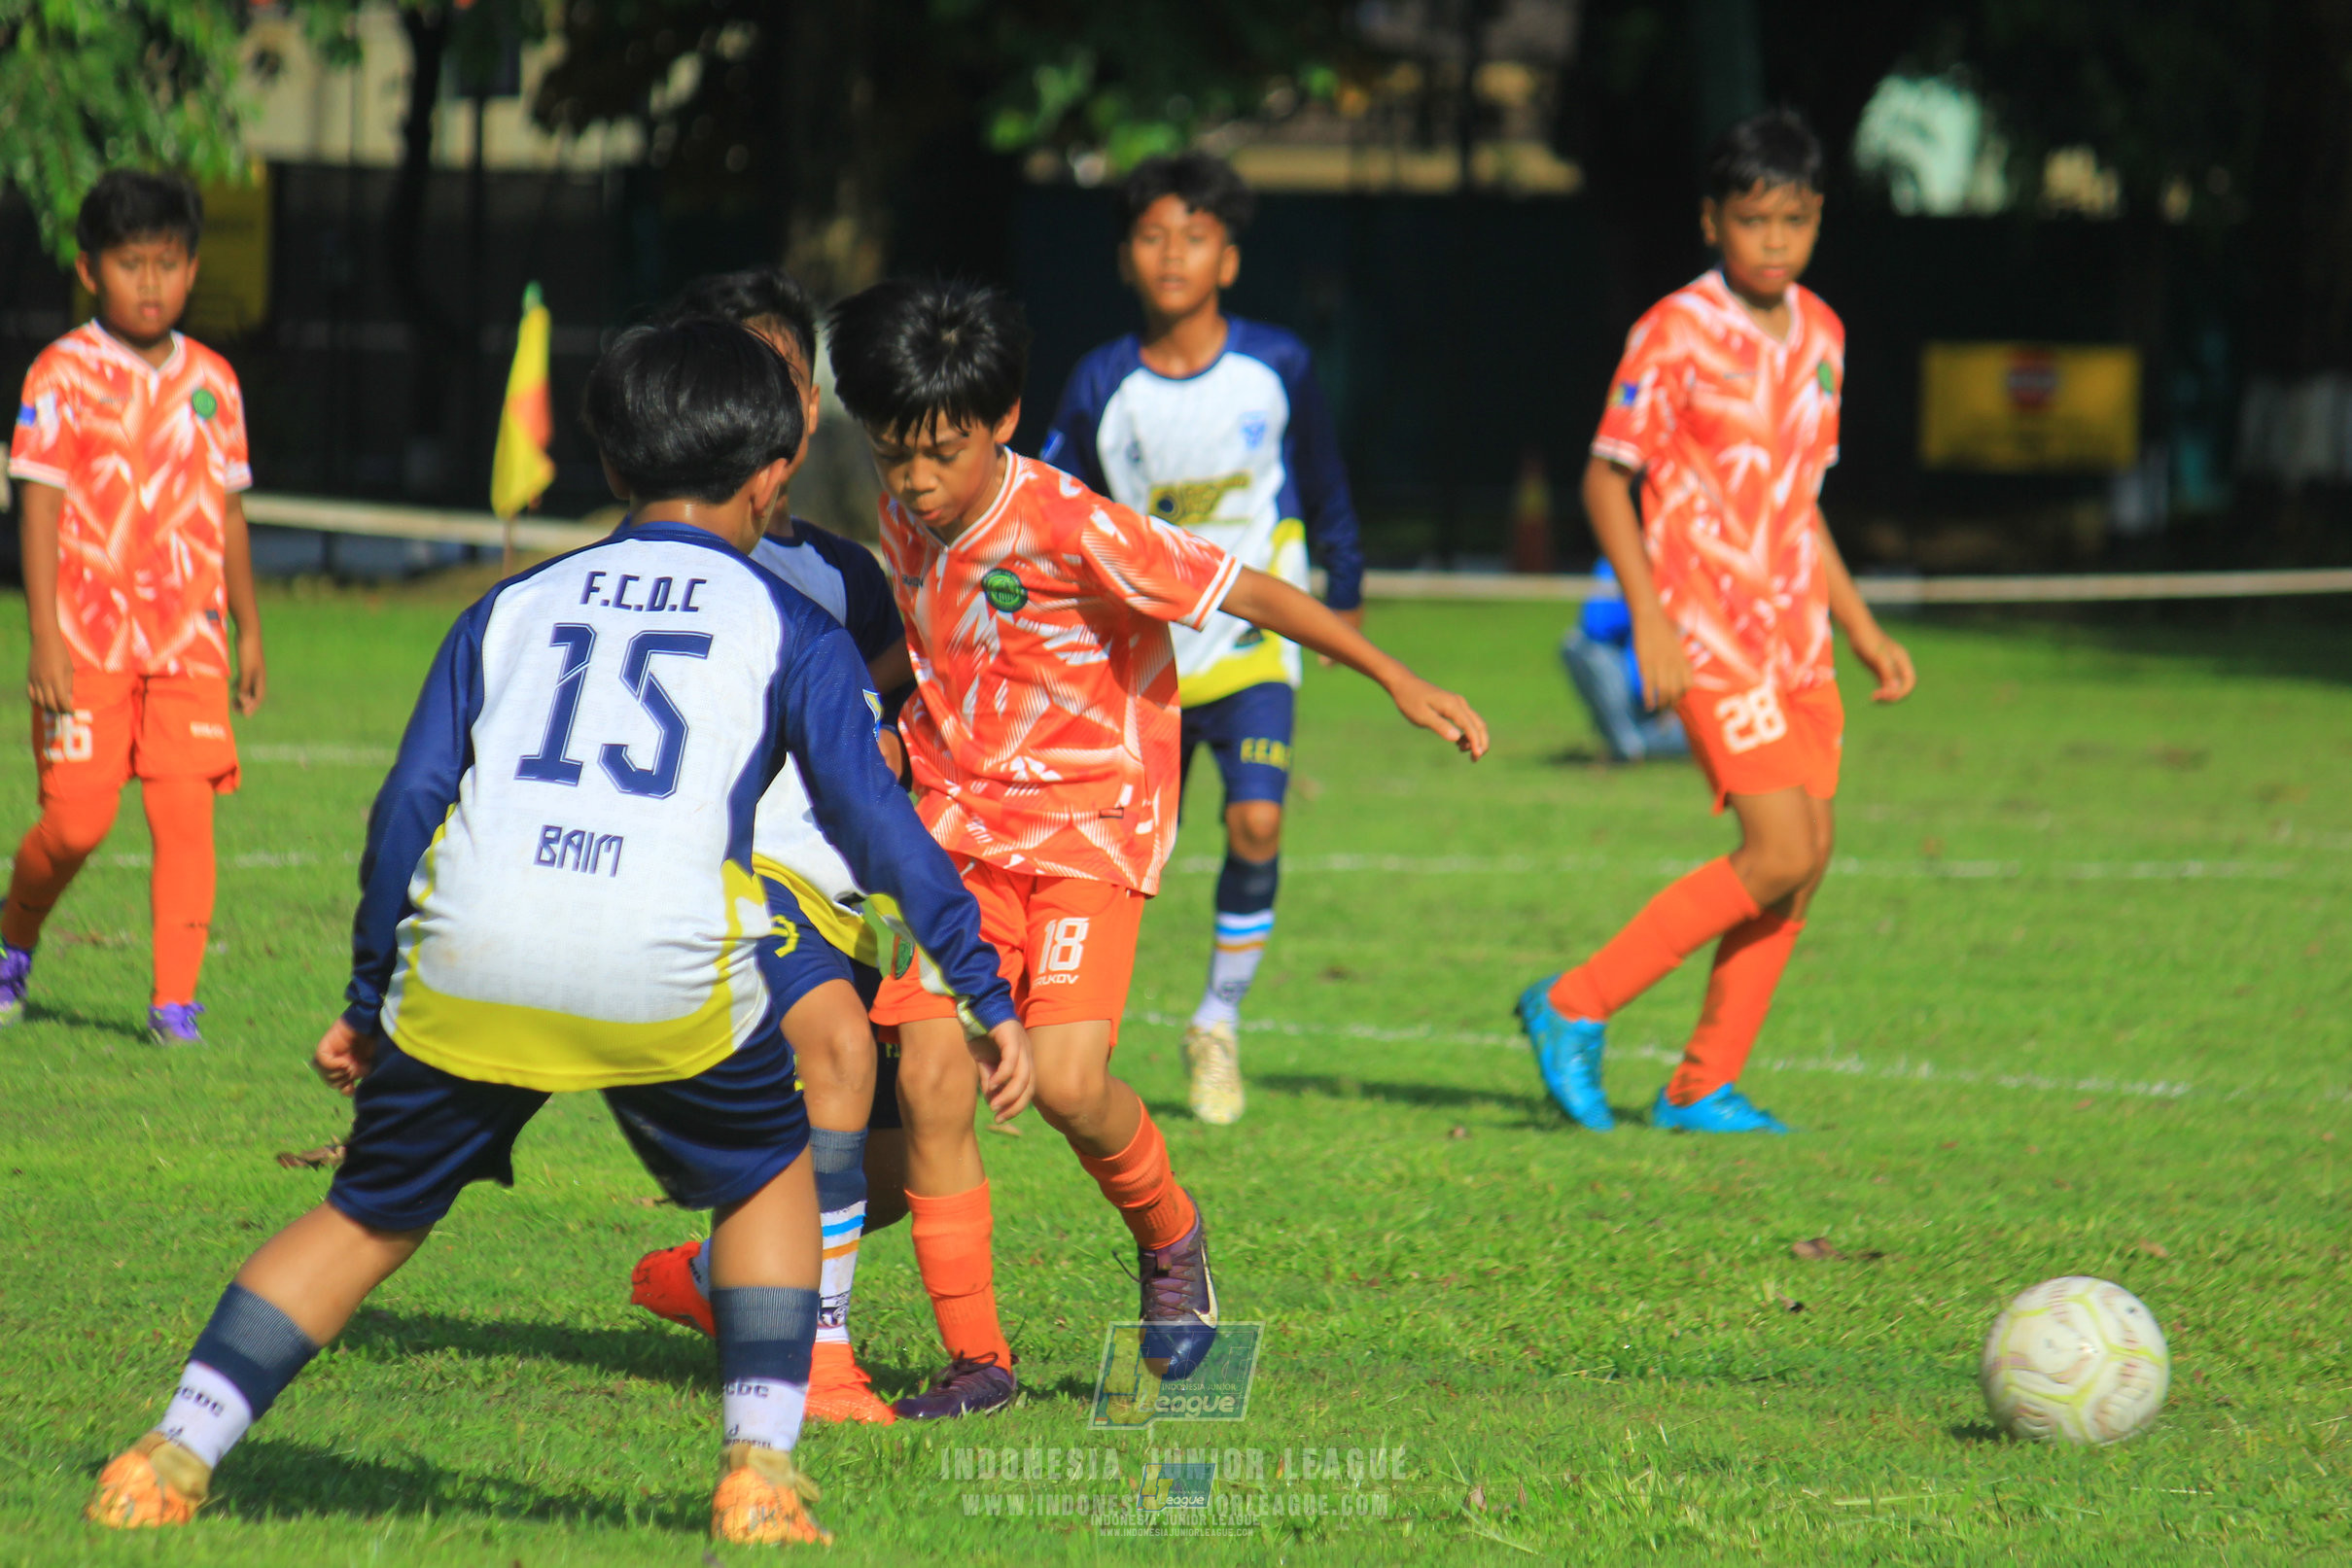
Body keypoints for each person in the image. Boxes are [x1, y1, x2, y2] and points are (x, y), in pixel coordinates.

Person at [83, 320, 1028, 1544]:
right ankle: (757, 1468)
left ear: (617, 466)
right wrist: (983, 985)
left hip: (473, 956)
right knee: (767, 1176)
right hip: (660, 966)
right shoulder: (789, 630)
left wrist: (371, 997)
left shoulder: (510, 605)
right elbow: (879, 829)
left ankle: (171, 1450)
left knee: (367, 1213)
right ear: (771, 476)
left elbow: (408, 806)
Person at [829, 277, 1487, 1418]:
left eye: (942, 452)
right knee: (934, 1080)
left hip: (1089, 826)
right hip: (956, 832)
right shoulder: (901, 516)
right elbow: (943, 649)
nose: (919, 482)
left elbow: (1250, 589)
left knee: (1073, 1082)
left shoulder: (1077, 526)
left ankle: (1172, 1238)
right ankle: (978, 1361)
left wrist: (1394, 675)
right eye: (896, 456)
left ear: (1003, 419)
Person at [1515, 109, 1914, 1136]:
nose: (1772, 239)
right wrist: (1646, 617)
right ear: (1712, 220)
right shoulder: (1675, 329)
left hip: (1797, 639)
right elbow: (1607, 480)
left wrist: (1861, 626)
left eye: (1792, 220)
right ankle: (1573, 1001)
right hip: (1706, 627)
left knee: (1807, 851)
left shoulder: (1823, 334)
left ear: (1817, 217)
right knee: (1777, 846)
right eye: (1751, 220)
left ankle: (1701, 1082)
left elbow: (1797, 500)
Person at [622, 268, 928, 1426]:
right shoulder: (668, 557)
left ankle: (717, 1279)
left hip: (835, 887)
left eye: (785, 381)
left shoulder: (850, 574)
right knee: (838, 1062)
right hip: (723, 885)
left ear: (811, 405)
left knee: (891, 1164)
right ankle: (821, 1359)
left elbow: (892, 707)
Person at [1040, 151, 1365, 1128]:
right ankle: (1066, 1024)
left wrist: (1342, 589)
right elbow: (1051, 501)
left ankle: (1216, 1022)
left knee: (1256, 821)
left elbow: (1322, 481)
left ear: (1227, 258)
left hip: (1256, 643)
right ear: (1123, 258)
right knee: (1129, 852)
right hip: (1144, 661)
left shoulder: (1279, 367)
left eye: (1193, 235)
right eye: (1150, 235)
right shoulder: (1101, 382)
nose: (1171, 252)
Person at [3, 170, 267, 1045]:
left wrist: (249, 625)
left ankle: (173, 1004)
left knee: (184, 811)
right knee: (77, 823)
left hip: (189, 642)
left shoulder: (215, 382)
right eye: (129, 262)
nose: (149, 281)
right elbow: (36, 502)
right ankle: (13, 935)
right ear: (89, 270)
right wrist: (45, 634)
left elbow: (227, 509)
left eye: (166, 262)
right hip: (85, 642)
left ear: (191, 270)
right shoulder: (63, 374)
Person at [1561, 561, 1690, 762]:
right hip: (1643, 701)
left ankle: (1634, 744)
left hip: (1694, 705)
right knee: (1578, 644)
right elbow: (1596, 622)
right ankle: (1630, 742)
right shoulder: (1621, 562)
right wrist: (1642, 609)